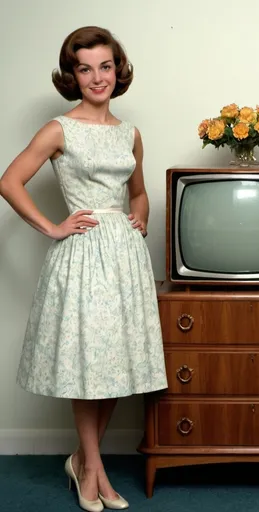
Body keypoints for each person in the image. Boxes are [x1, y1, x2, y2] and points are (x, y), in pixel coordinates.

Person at [0, 26, 168, 511]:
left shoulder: (129, 132)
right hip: (82, 253)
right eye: (85, 68)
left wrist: (141, 218)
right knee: (87, 362)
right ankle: (94, 468)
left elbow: (138, 191)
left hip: (124, 256)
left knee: (118, 361)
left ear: (119, 70)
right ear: (72, 75)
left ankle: (83, 461)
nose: (98, 77)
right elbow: (10, 181)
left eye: (106, 66)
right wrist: (52, 227)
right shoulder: (59, 128)